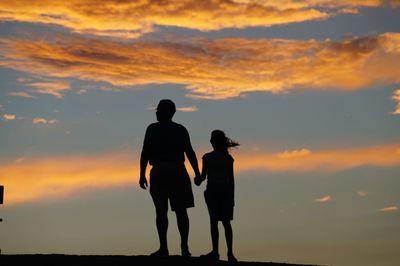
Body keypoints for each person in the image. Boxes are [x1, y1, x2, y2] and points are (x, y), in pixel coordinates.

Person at [139, 99, 201, 258]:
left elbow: (145, 152)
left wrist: (142, 174)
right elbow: (190, 152)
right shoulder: (180, 129)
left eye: (158, 109)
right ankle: (183, 248)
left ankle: (166, 248)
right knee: (180, 211)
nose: (156, 112)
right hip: (177, 171)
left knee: (162, 211)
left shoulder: (153, 129)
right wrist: (197, 172)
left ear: (164, 112)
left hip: (161, 171)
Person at [195, 130, 239, 263]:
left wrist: (197, 180)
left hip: (213, 192)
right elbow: (231, 180)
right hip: (224, 192)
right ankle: (229, 253)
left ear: (214, 142)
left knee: (214, 222)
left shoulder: (207, 157)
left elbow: (201, 178)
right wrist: (232, 196)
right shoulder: (227, 158)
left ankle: (216, 252)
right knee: (225, 223)